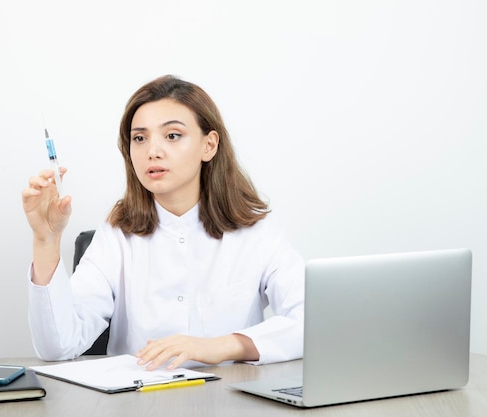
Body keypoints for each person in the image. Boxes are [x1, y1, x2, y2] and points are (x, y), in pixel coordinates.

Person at [22, 75, 305, 370]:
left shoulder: (256, 232)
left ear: (209, 146)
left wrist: (219, 346)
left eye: (172, 136)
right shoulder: (118, 234)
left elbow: (312, 320)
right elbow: (58, 346)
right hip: (137, 402)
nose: (152, 151)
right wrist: (46, 240)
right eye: (139, 138)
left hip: (230, 399)